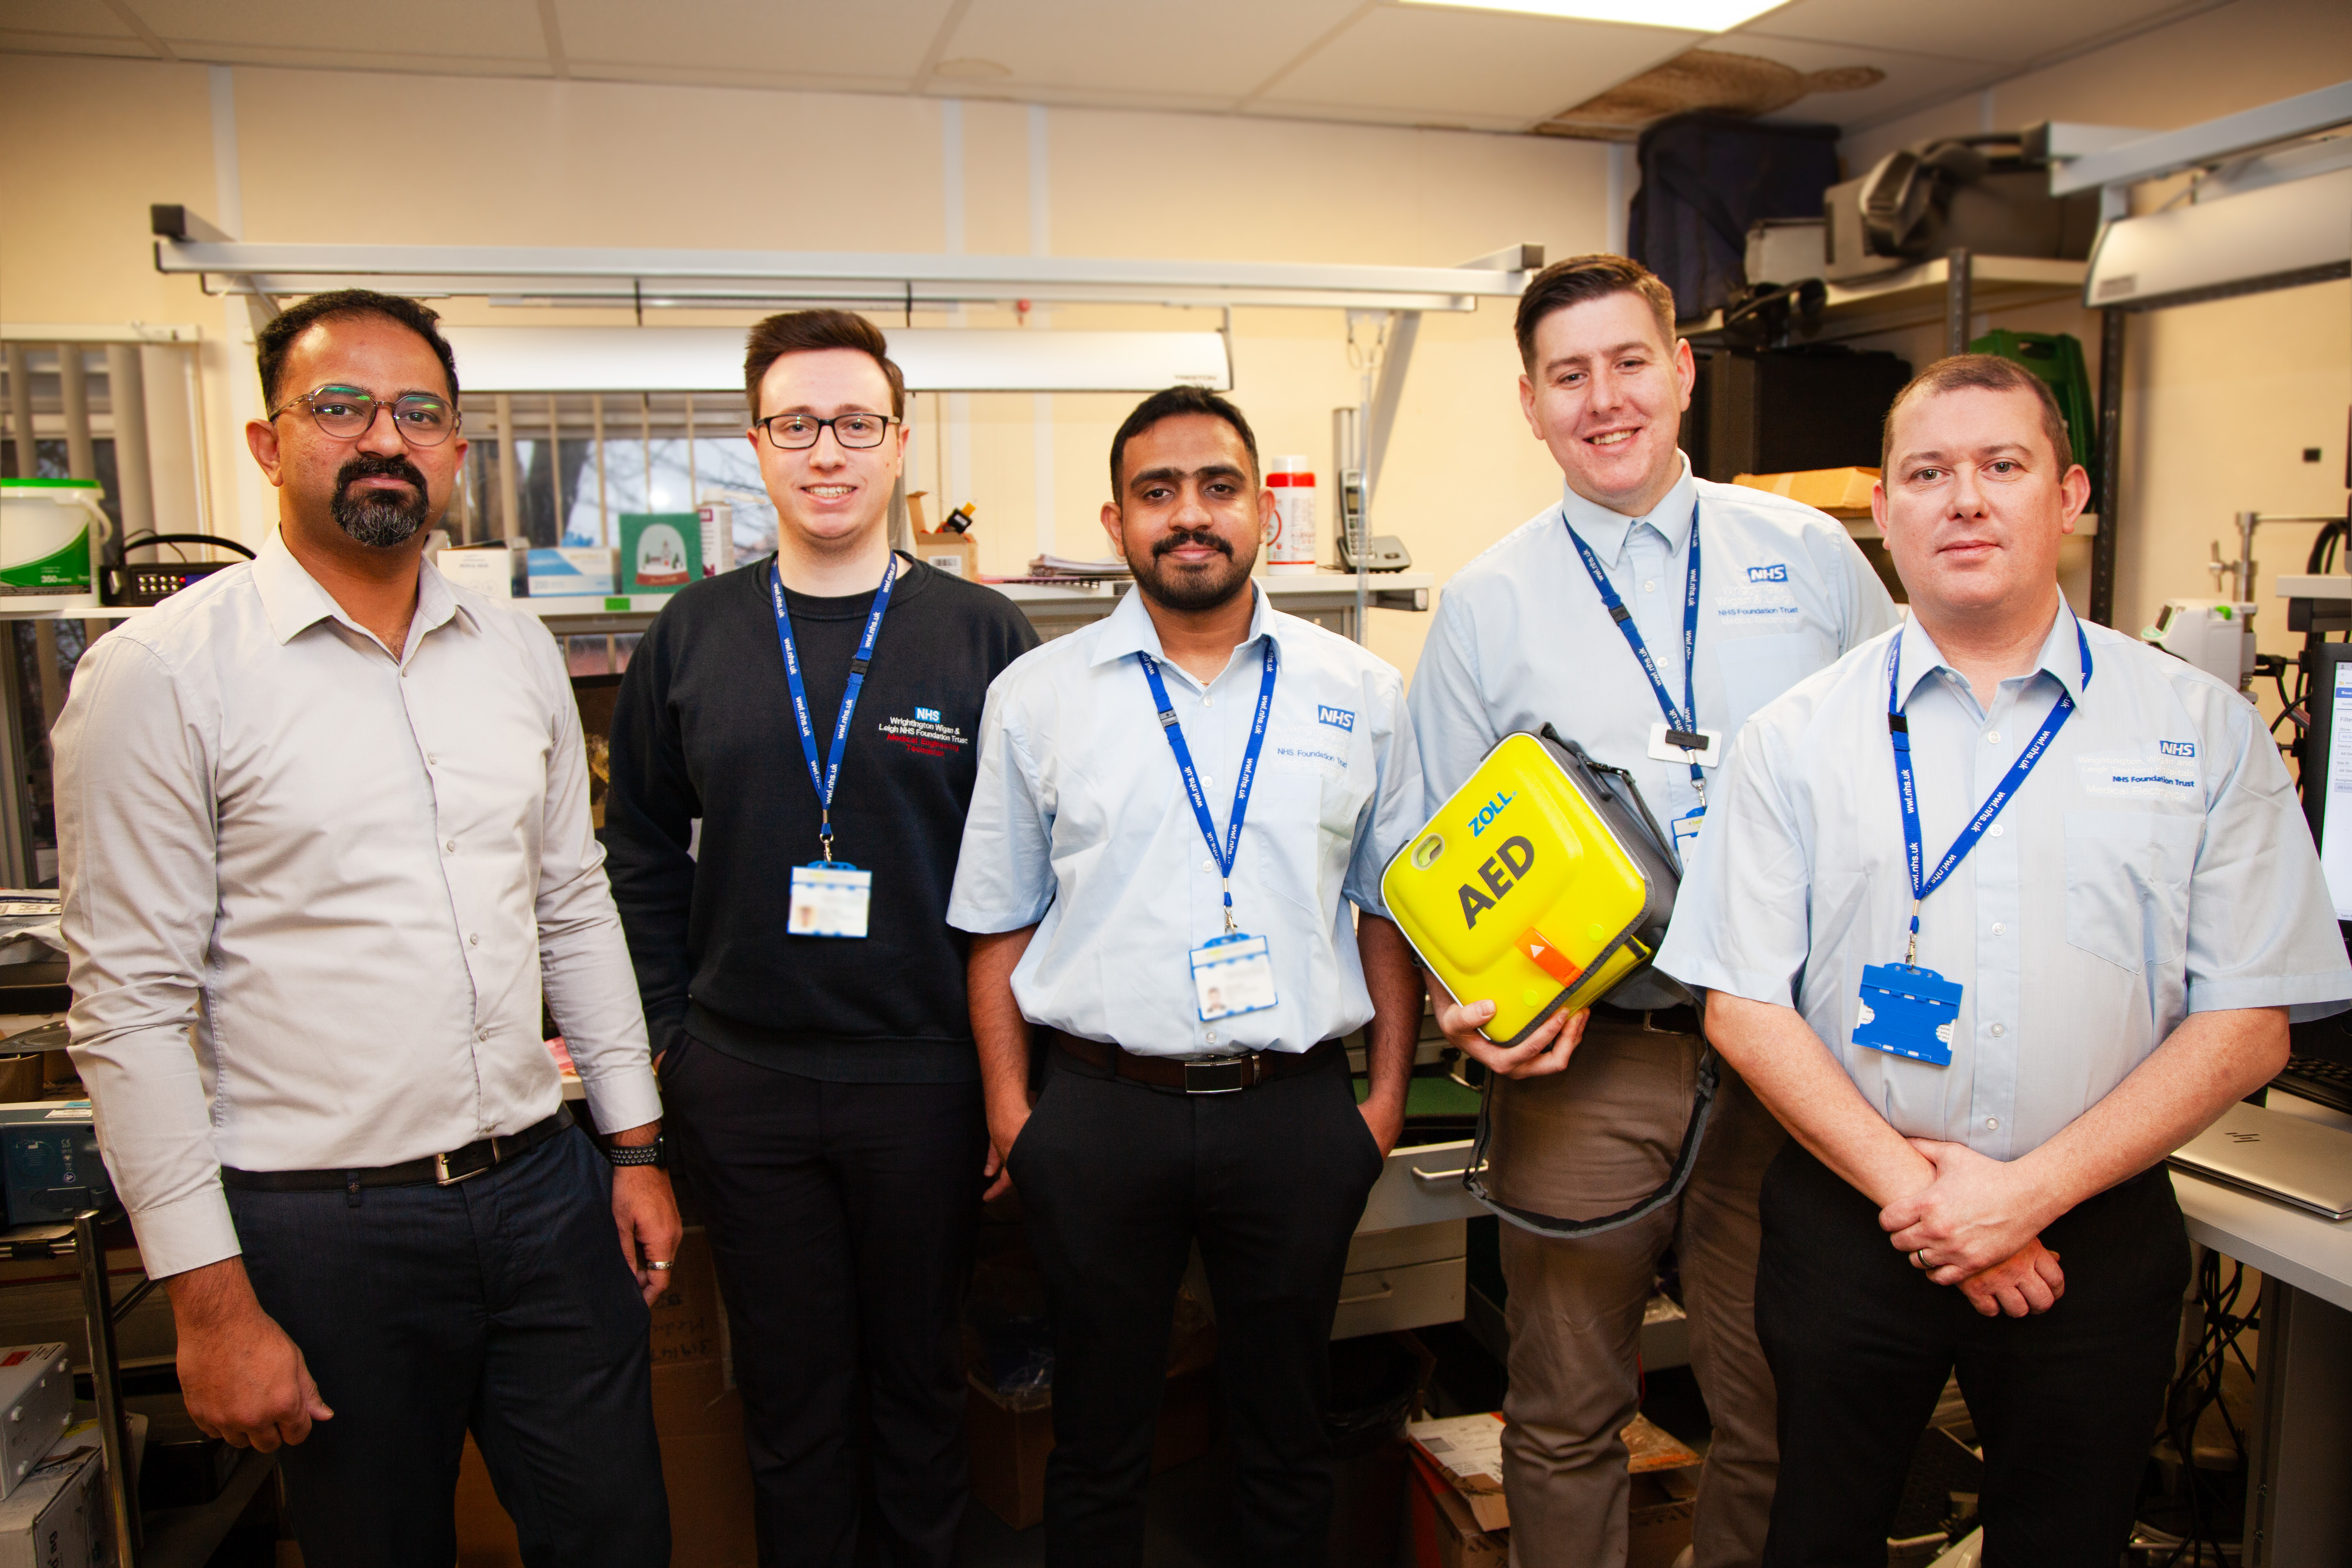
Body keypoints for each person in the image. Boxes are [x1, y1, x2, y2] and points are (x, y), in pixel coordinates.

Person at [1656, 353, 2352, 1562]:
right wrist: (1931, 1204)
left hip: (2093, 1229)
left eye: (2002, 466)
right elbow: (1743, 1002)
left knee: (2066, 1543)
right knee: (1814, 1533)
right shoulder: (1795, 741)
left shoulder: (2202, 733)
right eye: (1928, 472)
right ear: (1884, 511)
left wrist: (2023, 1199)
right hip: (1850, 1218)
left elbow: (2251, 1023)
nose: (1964, 499)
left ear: (2069, 495)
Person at [55, 289, 675, 1568]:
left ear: (454, 450)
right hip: (319, 1229)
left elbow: (570, 901)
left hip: (541, 1194)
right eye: (339, 407)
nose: (381, 437)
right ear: (266, 442)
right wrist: (211, 1300)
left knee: (618, 1537)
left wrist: (635, 1146)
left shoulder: (515, 651)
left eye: (418, 413)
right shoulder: (163, 673)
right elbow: (129, 1010)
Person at [1407, 254, 1898, 1567]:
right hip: (1589, 1061)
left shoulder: (1810, 558)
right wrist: (1476, 1013)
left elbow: (1897, 784)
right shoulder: (1487, 605)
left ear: (1682, 370)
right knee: (1566, 1409)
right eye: (1570, 375)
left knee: (1779, 1399)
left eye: (1630, 362)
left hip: (1792, 1061)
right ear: (1531, 404)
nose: (1604, 398)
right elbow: (1436, 860)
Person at [949, 386, 1425, 1567]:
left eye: (1218, 487)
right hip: (1104, 1113)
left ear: (1261, 508)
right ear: (1116, 523)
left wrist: (1382, 1106)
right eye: (1158, 493)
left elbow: (1389, 910)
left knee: (1285, 1432)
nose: (1190, 516)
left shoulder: (1357, 691)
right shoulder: (1039, 697)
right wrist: (1018, 1113)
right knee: (1101, 1440)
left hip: (1297, 1109)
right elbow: (998, 925)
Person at [603, 309, 1037, 1567]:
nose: (827, 452)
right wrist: (677, 1046)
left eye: (856, 424)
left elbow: (1033, 875)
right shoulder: (690, 636)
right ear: (758, 444)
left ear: (899, 443)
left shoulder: (983, 638)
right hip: (747, 1089)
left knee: (915, 1392)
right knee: (790, 1405)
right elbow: (634, 856)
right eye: (798, 425)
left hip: (927, 1082)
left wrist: (1011, 1084)